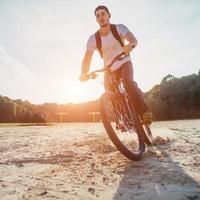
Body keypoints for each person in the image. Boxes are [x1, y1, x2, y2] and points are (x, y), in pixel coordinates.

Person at [79, 5, 152, 125]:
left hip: (124, 61)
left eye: (103, 14)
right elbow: (86, 59)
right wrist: (83, 73)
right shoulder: (93, 39)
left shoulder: (119, 28)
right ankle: (124, 119)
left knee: (128, 82)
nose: (101, 17)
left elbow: (133, 40)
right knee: (110, 93)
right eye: (98, 15)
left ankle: (144, 112)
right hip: (109, 69)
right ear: (96, 20)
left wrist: (130, 46)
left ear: (109, 15)